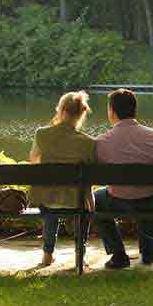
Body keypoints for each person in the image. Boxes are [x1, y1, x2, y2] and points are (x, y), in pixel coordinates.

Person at [93, 88, 153, 269]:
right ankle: (148, 252)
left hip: (119, 201)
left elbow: (95, 166)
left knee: (95, 199)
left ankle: (119, 254)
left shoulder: (103, 141)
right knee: (146, 192)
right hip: (152, 201)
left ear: (111, 111)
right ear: (134, 110)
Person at [29, 91, 96, 267]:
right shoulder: (88, 142)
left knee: (52, 197)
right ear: (81, 114)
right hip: (77, 201)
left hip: (47, 200)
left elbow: (33, 160)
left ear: (62, 111)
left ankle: (47, 255)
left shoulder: (42, 134)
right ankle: (79, 255)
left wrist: (53, 126)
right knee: (80, 196)